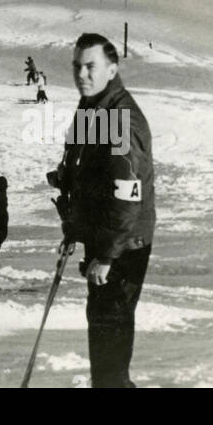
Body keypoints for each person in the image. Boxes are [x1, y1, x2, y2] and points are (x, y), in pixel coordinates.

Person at [47, 33, 155, 388]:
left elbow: (126, 194)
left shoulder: (120, 118)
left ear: (112, 69)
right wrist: (75, 227)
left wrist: (107, 255)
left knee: (109, 341)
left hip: (122, 247)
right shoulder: (92, 108)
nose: (82, 74)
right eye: (77, 66)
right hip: (105, 240)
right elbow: (83, 174)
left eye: (91, 66)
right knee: (104, 339)